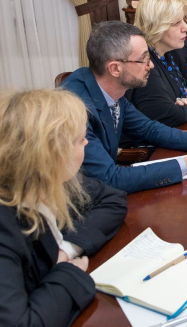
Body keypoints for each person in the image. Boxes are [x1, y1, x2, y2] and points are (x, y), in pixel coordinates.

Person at [0, 89, 127, 326]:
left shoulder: (47, 179)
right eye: (80, 140)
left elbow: (113, 200)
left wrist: (66, 250)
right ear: (53, 153)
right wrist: (69, 273)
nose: (87, 143)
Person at [62, 20, 187, 194]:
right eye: (144, 60)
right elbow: (110, 178)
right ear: (115, 68)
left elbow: (148, 129)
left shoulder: (111, 88)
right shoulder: (74, 108)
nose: (152, 65)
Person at [126, 0, 187, 127]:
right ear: (155, 26)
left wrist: (181, 101)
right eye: (177, 23)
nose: (186, 28)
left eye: (184, 21)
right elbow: (171, 115)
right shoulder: (145, 63)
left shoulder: (170, 52)